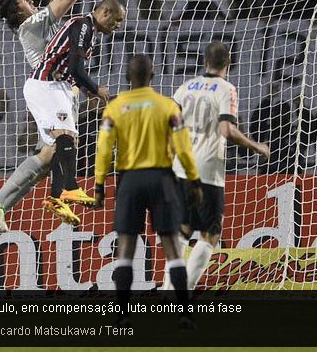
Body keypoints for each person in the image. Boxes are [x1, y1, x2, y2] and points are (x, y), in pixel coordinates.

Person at [0, 0, 82, 254]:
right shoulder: (32, 24)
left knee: (49, 155)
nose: (32, 0)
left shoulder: (37, 24)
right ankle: (59, 198)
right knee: (65, 143)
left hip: (56, 88)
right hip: (48, 89)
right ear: (18, 10)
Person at [93, 54, 201, 329]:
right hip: (162, 178)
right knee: (172, 246)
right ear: (152, 76)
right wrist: (194, 179)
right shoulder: (167, 106)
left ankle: (122, 316)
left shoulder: (115, 108)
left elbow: (104, 148)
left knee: (126, 246)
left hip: (129, 180)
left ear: (128, 78)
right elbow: (183, 147)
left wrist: (99, 184)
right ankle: (185, 314)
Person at [165, 42, 269, 291]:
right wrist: (257, 147)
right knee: (210, 234)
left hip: (180, 166)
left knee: (182, 230)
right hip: (207, 169)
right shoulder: (226, 88)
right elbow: (226, 130)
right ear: (229, 63)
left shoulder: (185, 87)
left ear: (204, 61)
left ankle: (169, 288)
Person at [24, 0, 125, 224]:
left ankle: (57, 197)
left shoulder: (88, 30)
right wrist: (96, 88)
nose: (118, 25)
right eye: (117, 20)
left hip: (53, 86)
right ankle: (68, 188)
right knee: (65, 137)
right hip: (45, 84)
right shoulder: (83, 25)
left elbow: (70, 70)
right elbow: (75, 69)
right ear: (105, 12)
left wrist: (83, 88)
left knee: (68, 139)